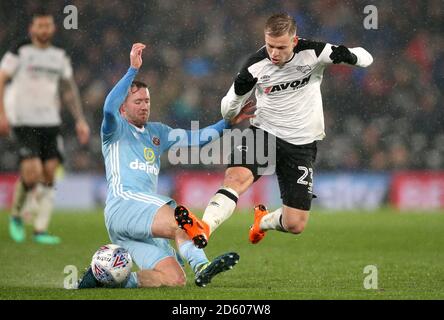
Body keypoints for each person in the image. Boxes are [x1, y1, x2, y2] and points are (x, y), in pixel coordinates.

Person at [176, 13, 373, 248]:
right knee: (236, 178)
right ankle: (205, 227)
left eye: (281, 47)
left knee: (295, 224)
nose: (274, 53)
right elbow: (227, 108)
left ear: (294, 41)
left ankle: (263, 222)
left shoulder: (315, 52)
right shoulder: (254, 65)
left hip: (301, 144)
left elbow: (366, 58)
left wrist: (348, 55)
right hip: (264, 134)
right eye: (270, 46)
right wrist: (235, 104)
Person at [78, 43, 254, 289]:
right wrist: (132, 70)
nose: (144, 106)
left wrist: (227, 122)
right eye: (137, 101)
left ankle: (102, 281)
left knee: (174, 279)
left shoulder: (157, 132)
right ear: (123, 107)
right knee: (182, 220)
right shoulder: (114, 129)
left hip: (135, 222)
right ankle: (202, 266)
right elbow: (107, 107)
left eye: (147, 101)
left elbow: (197, 138)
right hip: (125, 203)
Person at [0, 10, 90, 245]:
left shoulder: (59, 56)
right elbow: (1, 78)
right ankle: (17, 215)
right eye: (40, 26)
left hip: (50, 123)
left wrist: (80, 119)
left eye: (47, 26)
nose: (44, 30)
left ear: (53, 29)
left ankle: (40, 230)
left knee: (49, 175)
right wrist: (1, 113)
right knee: (32, 174)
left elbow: (69, 89)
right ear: (32, 28)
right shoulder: (19, 50)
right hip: (23, 121)